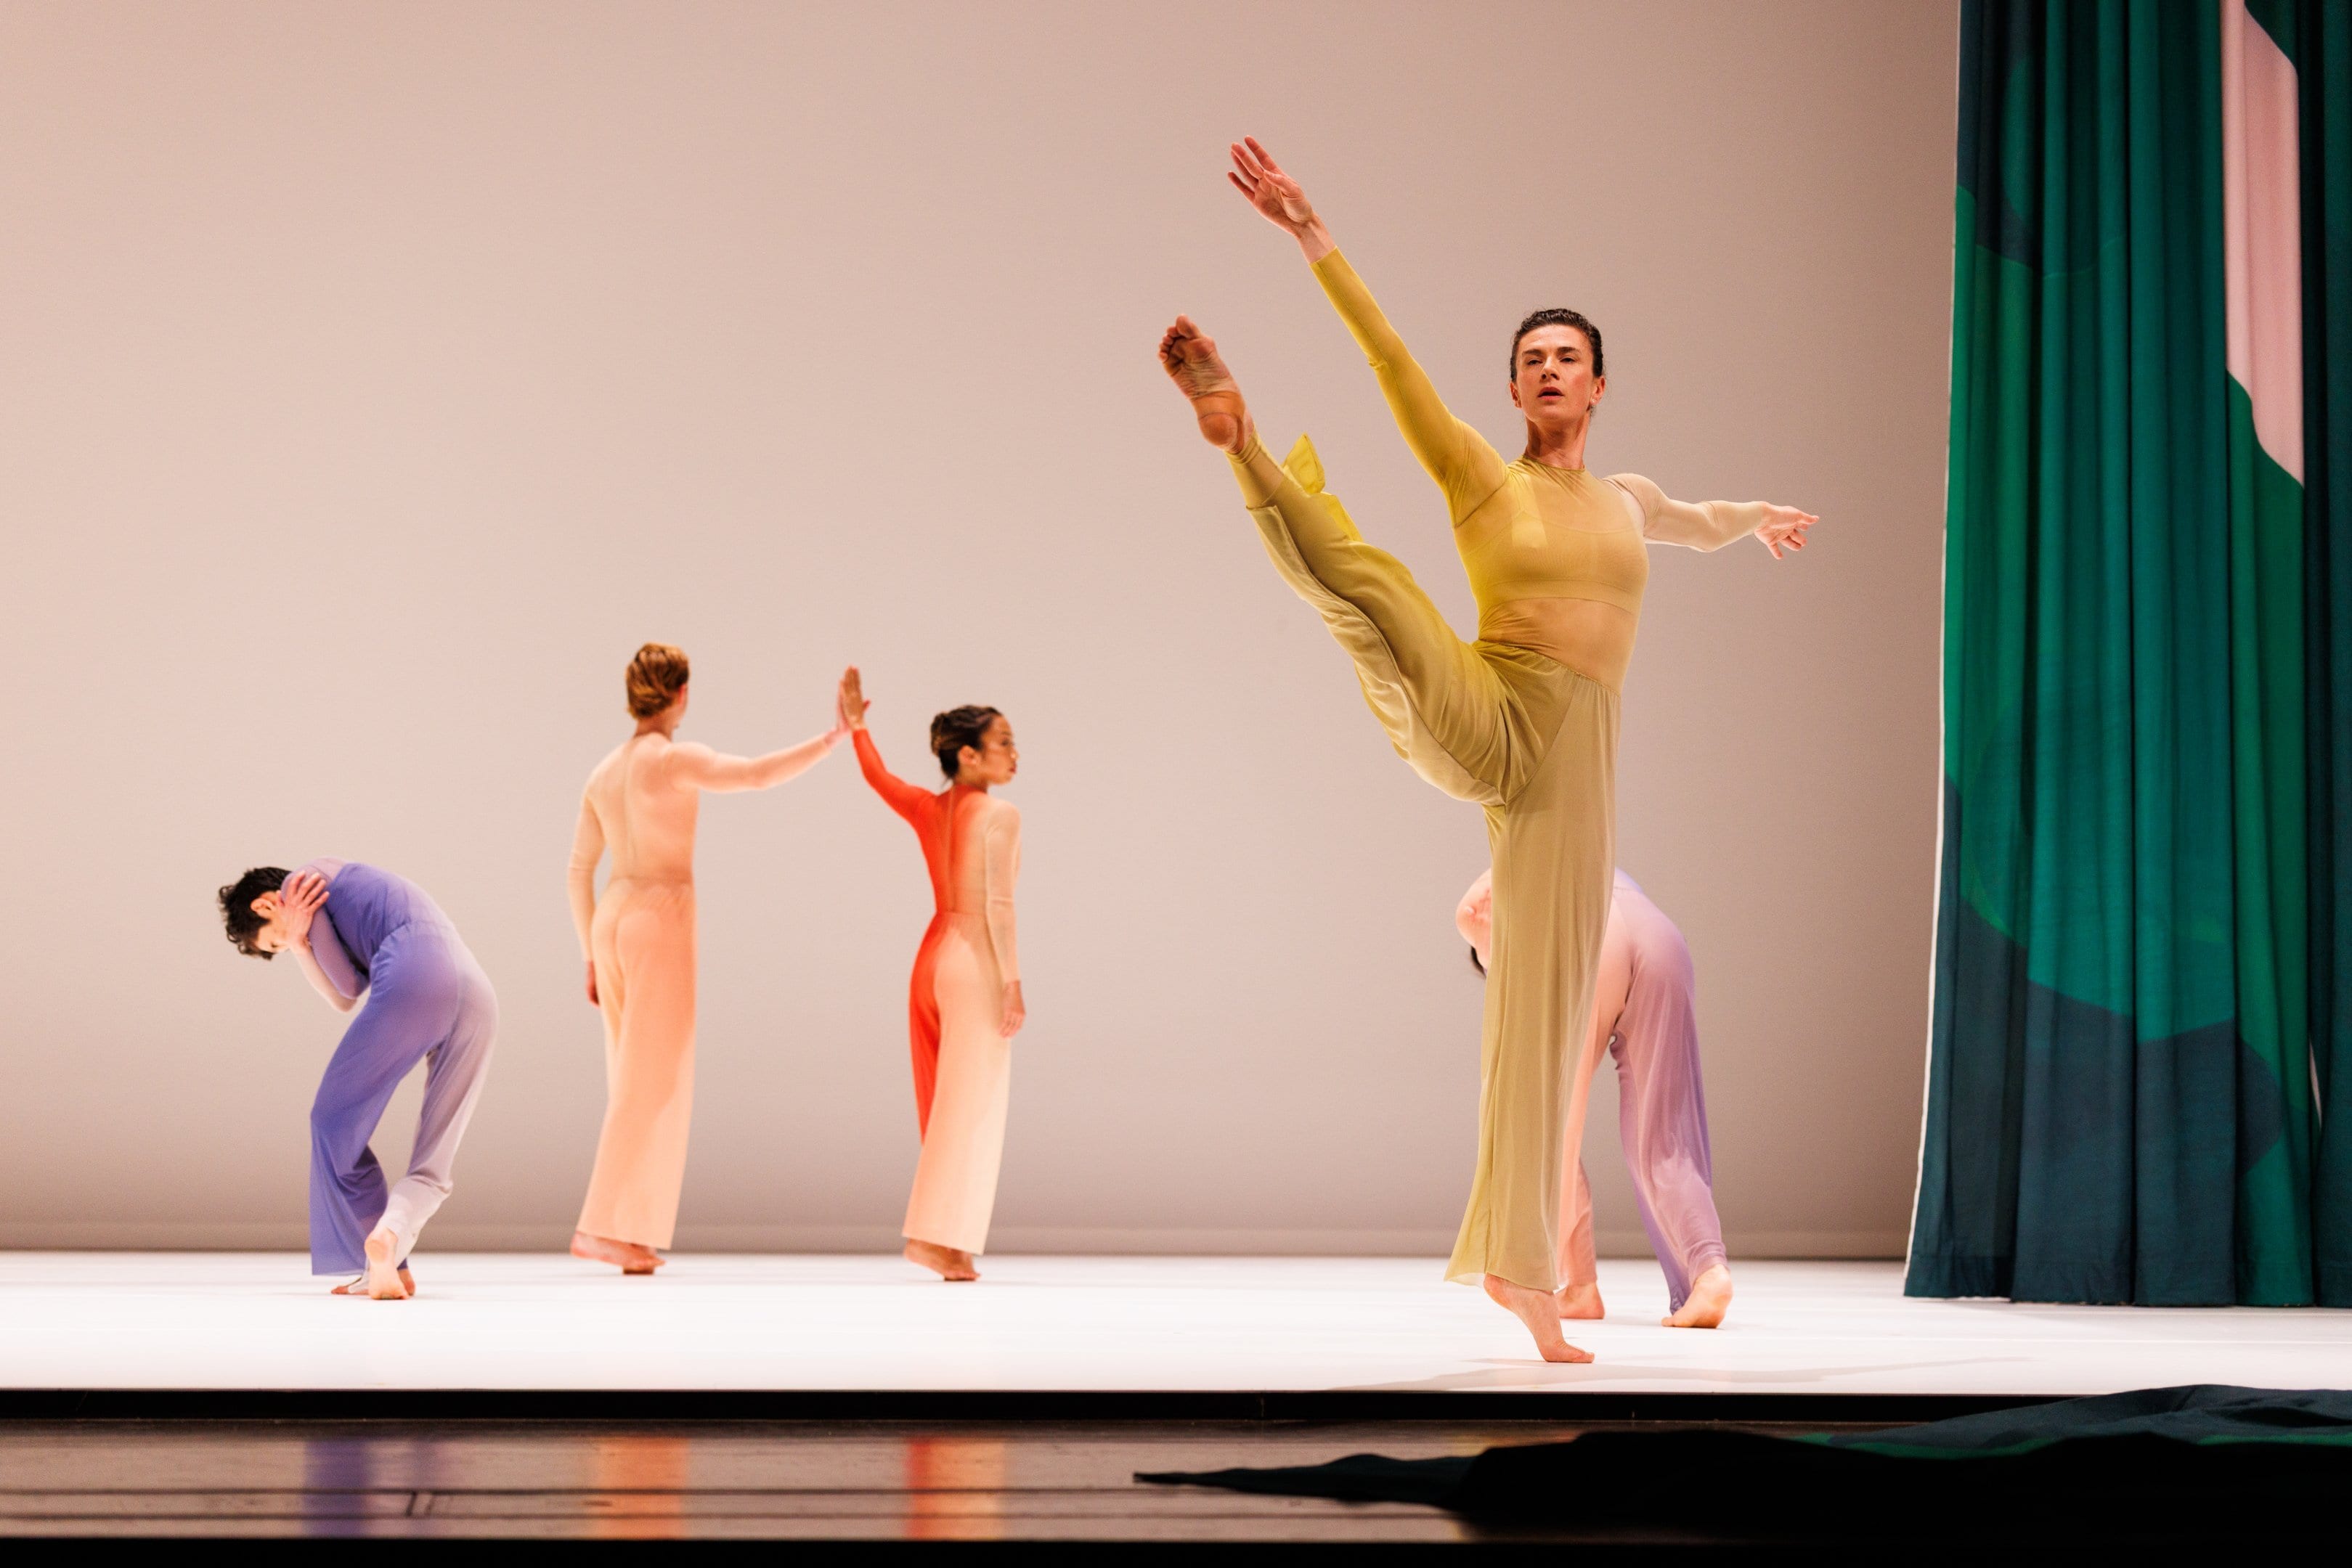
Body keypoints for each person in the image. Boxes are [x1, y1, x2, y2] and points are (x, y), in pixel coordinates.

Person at [1160, 136, 1814, 1359]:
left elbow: (1693, 520)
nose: (1547, 371)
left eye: (1565, 358)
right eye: (1529, 362)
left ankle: (1522, 1275)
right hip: (1491, 701)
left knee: (1540, 1017)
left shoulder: (1625, 498)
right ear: (1512, 392)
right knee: (1376, 600)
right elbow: (1390, 360)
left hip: (1572, 767)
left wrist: (1754, 521)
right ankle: (1241, 443)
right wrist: (1309, 233)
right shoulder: (1478, 476)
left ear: (1597, 385)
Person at [566, 642, 845, 1275]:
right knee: (654, 1079)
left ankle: (627, 1230)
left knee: (631, 1075)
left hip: (613, 915)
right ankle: (601, 1226)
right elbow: (756, 775)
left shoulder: (604, 771)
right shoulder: (672, 759)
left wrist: (588, 952)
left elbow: (578, 871)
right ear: (681, 694)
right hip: (659, 916)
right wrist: (831, 739)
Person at [1457, 869, 1733, 1328]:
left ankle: (1575, 1282)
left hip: (1585, 938)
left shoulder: (1499, 901)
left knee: (1551, 1133)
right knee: (1664, 1136)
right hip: (1659, 935)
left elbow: (1471, 914)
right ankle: (1709, 1273)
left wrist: (1483, 945)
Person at [218, 859, 497, 1299]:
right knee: (433, 1163)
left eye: (276, 941)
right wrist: (301, 942)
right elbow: (345, 997)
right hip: (476, 991)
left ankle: (378, 1257)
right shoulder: (340, 879)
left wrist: (299, 942)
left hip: (417, 979)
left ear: (266, 905)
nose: (288, 945)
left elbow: (346, 990)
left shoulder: (299, 887)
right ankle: (389, 1241)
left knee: (333, 1122)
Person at [839, 666, 1025, 1282]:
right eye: (1003, 743)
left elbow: (878, 778)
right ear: (968, 755)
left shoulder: (928, 808)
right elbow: (999, 906)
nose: (1014, 754)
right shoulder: (1000, 815)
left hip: (930, 955)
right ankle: (934, 1240)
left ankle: (946, 1242)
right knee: (971, 1106)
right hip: (972, 960)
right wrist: (1012, 983)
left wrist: (857, 727)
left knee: (940, 1101)